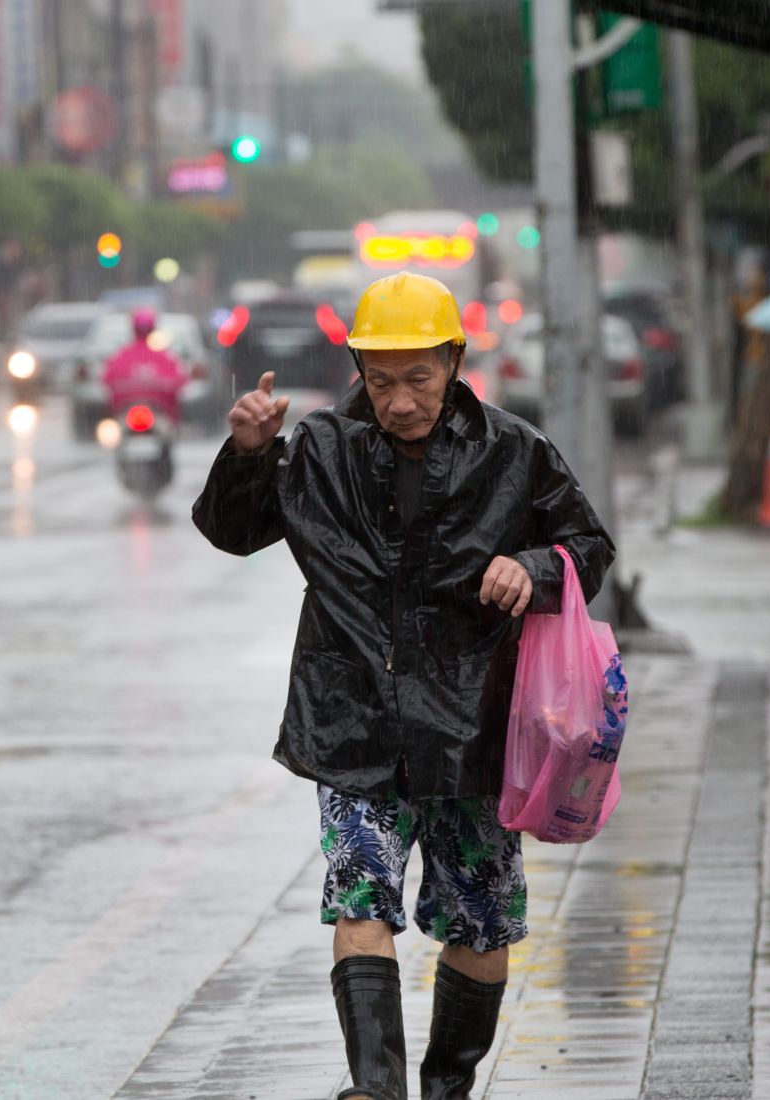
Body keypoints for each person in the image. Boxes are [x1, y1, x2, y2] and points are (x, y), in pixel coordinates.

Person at [193, 272, 615, 1100]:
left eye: (419, 378)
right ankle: (376, 1088)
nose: (401, 401)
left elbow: (588, 547)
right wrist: (247, 453)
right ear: (359, 368)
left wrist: (531, 568)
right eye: (381, 381)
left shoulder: (513, 451)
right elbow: (232, 531)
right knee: (359, 900)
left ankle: (447, 1086)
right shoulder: (320, 449)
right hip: (355, 725)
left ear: (454, 360)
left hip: (473, 729)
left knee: (482, 923)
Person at [102, 308, 188, 425]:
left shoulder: (121, 355)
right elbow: (181, 380)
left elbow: (106, 380)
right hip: (140, 416)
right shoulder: (165, 356)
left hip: (150, 417)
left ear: (133, 329)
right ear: (153, 328)